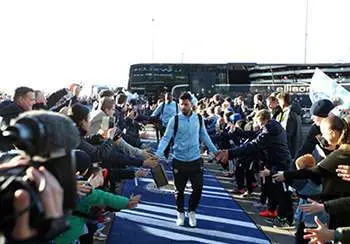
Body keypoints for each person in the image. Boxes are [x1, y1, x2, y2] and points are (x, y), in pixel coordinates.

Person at [155, 92, 219, 227]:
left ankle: (192, 211)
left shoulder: (199, 118)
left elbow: (204, 136)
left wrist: (215, 151)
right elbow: (166, 138)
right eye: (181, 104)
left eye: (186, 104)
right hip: (179, 160)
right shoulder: (175, 120)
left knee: (198, 188)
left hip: (195, 159)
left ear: (192, 104)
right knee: (179, 190)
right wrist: (158, 153)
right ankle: (180, 213)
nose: (183, 107)